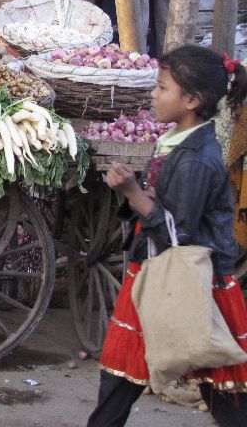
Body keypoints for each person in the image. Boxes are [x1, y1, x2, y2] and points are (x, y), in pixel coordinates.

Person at [87, 46, 247, 427]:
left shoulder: (195, 159)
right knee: (120, 380)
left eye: (162, 88)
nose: (154, 95)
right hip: (158, 273)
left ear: (192, 100)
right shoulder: (175, 140)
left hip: (191, 279)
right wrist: (136, 192)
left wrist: (132, 193)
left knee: (221, 388)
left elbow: (181, 233)